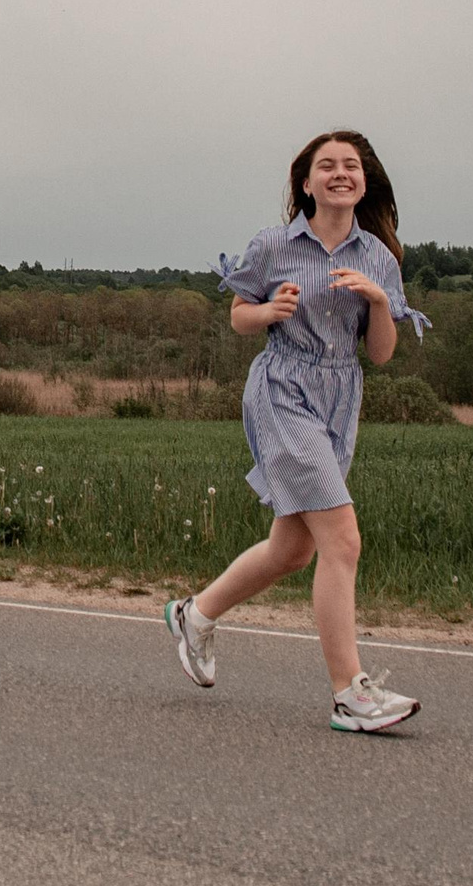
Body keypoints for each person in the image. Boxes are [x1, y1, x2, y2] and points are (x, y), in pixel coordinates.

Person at [164, 130, 429, 732]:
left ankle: (195, 615)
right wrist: (267, 311)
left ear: (364, 181)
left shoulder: (379, 259)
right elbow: (238, 316)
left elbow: (382, 355)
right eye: (326, 166)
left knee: (294, 549)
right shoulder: (275, 245)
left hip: (339, 400)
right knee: (343, 540)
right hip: (282, 391)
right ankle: (350, 693)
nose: (341, 174)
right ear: (306, 183)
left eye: (351, 166)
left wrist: (381, 304)